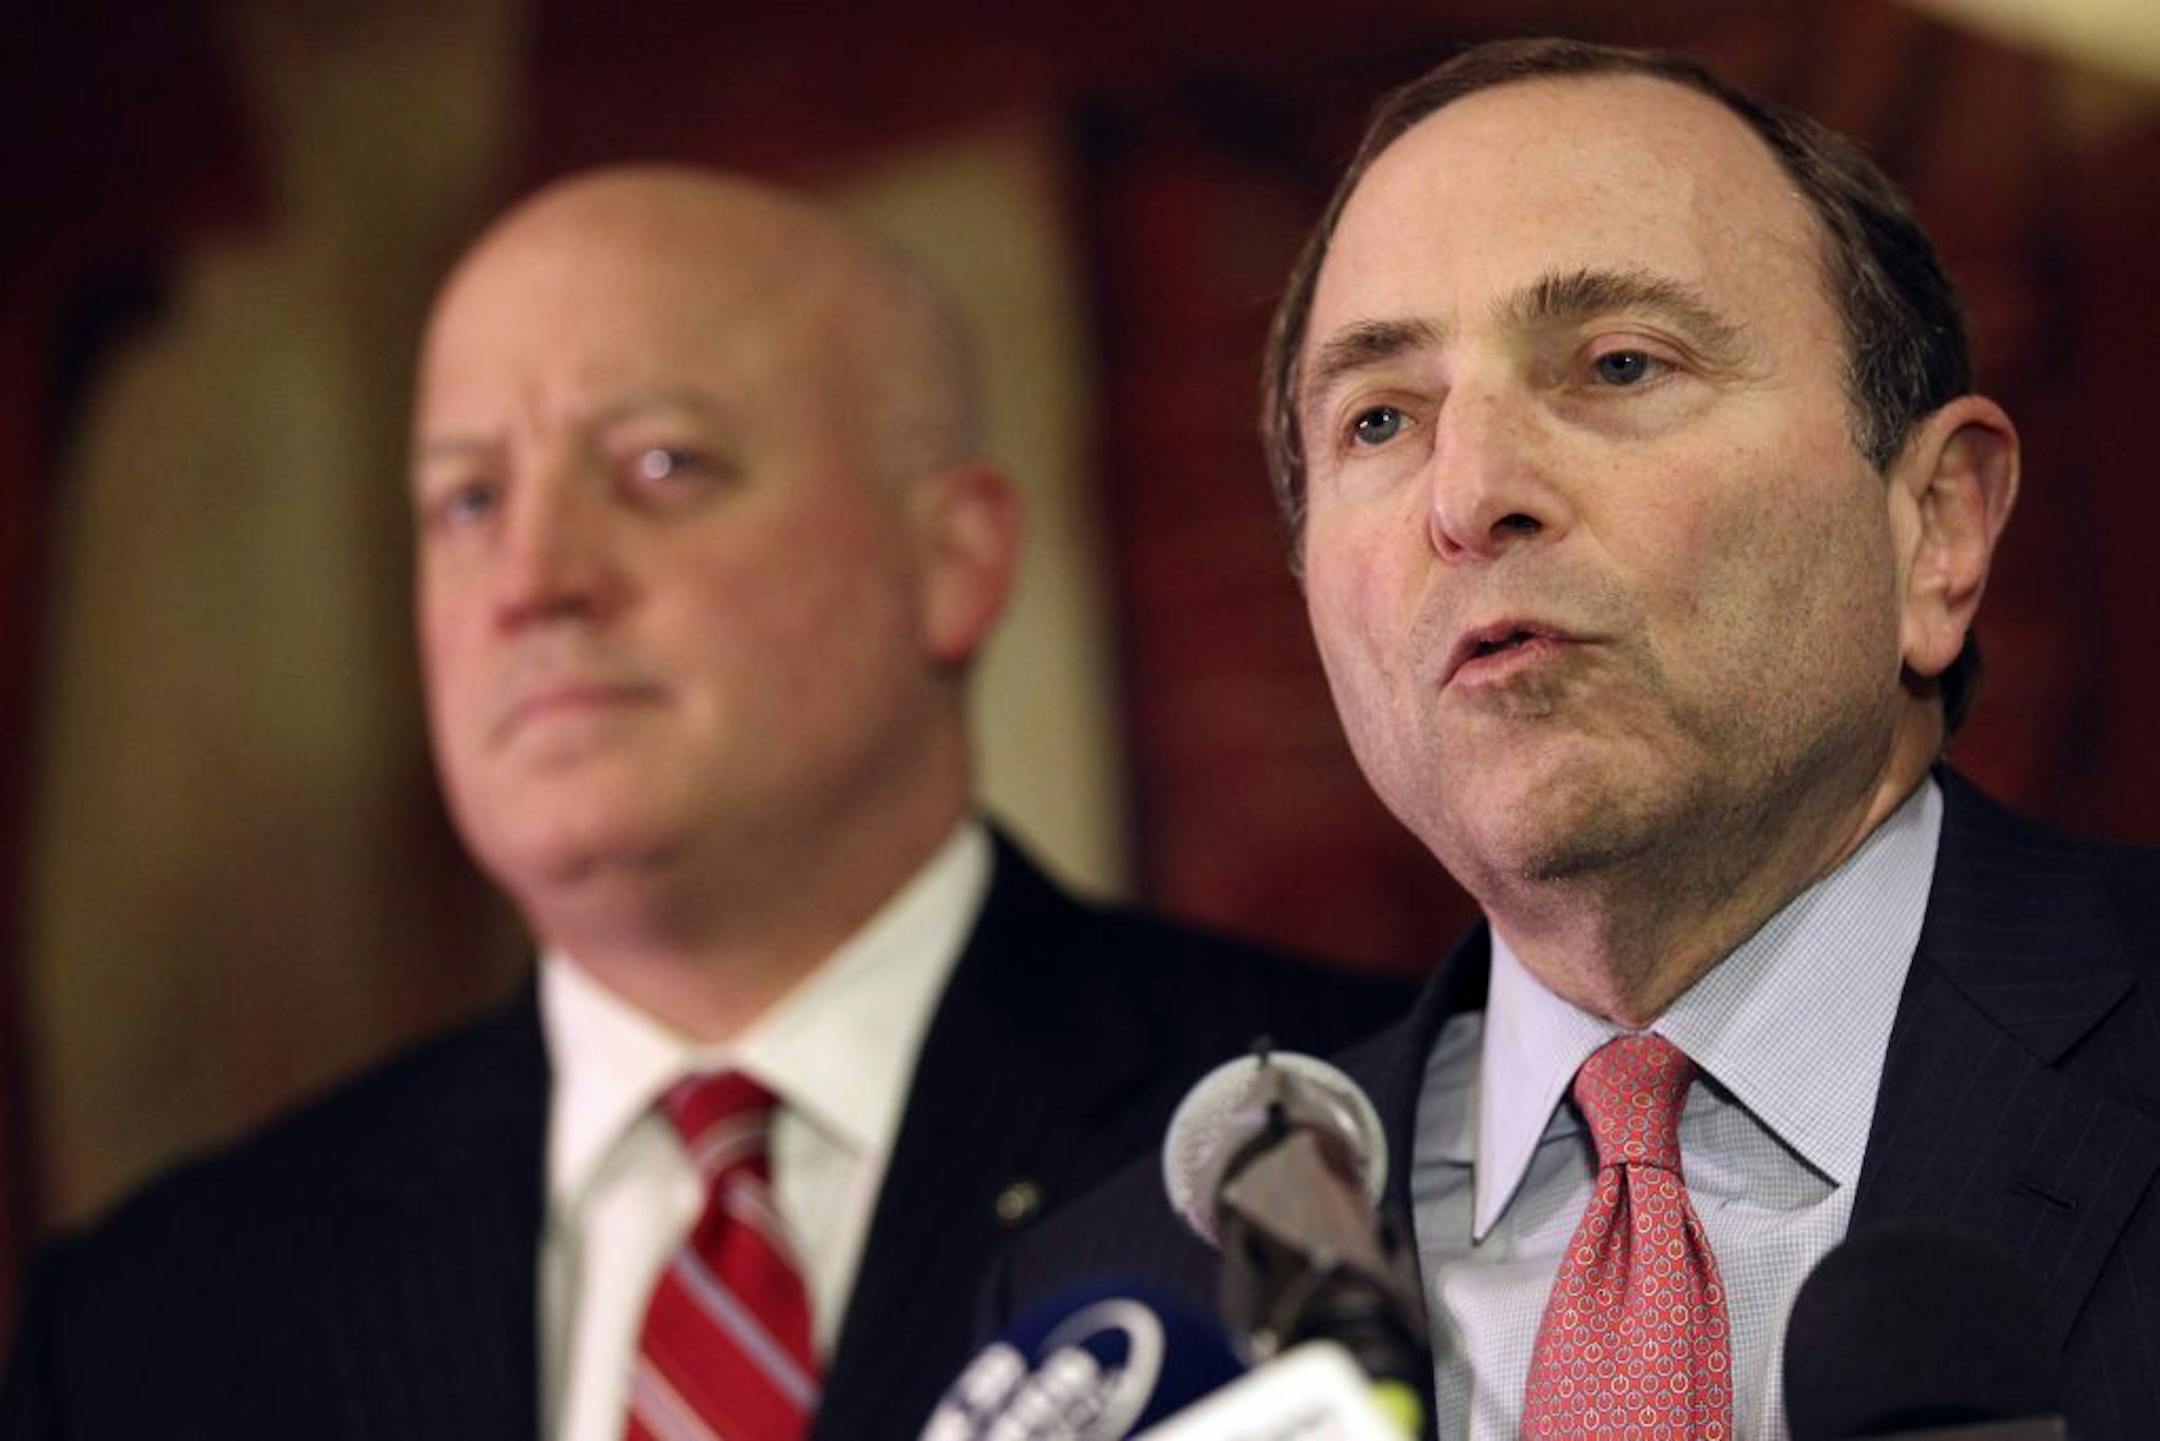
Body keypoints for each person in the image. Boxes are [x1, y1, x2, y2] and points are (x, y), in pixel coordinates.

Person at [0, 168, 1414, 1441]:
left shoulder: (1355, 1140)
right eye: (468, 501)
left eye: (661, 467)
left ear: (955, 558)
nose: (534, 576)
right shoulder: (151, 1321)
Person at [996, 38, 2160, 1441]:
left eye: (1618, 364)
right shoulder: (1127, 1309)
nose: (1473, 492)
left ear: (1937, 528)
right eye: (1379, 419)